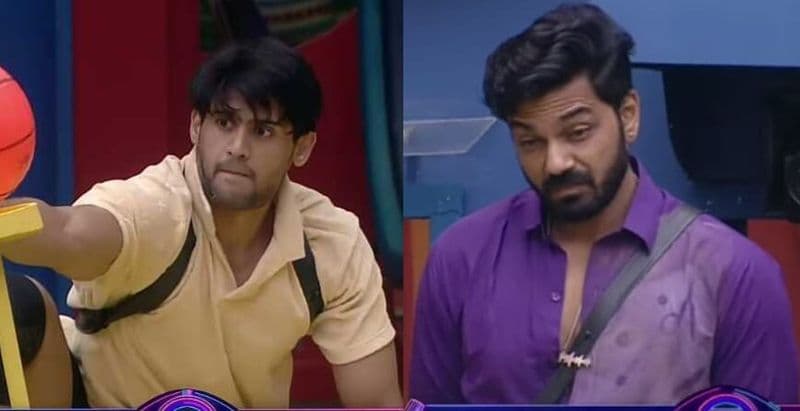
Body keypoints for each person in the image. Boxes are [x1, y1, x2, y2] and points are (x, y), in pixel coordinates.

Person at [409, 3, 798, 405]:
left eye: (578, 132)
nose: (555, 162)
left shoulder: (736, 274)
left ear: (628, 116)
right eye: (530, 141)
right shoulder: (462, 257)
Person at [0, 38, 402, 408]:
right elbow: (67, 231)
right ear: (196, 126)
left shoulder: (332, 241)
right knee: (22, 303)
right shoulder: (154, 205)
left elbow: (376, 403)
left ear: (302, 147)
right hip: (95, 399)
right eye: (224, 122)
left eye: (263, 131)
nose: (238, 148)